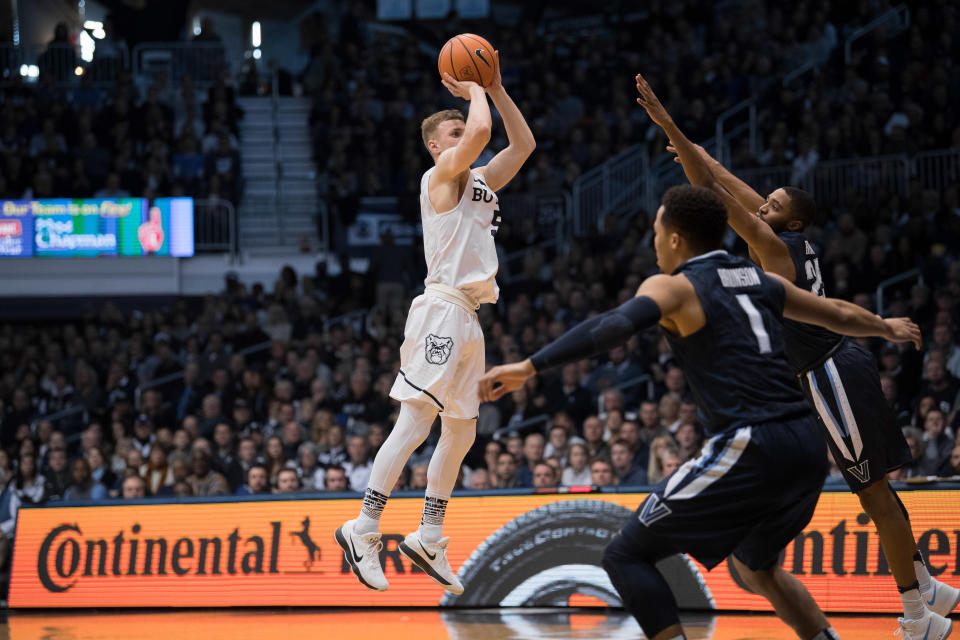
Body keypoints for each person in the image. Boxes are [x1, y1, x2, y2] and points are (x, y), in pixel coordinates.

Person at [478, 182, 925, 640]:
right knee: (756, 568)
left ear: (674, 238)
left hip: (753, 442)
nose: (653, 243)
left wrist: (530, 366)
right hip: (807, 446)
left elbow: (613, 326)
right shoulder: (761, 279)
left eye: (656, 231)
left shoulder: (676, 286)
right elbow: (838, 315)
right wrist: (885, 326)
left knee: (624, 556)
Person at [640, 71, 960, 637]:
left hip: (831, 372)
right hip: (833, 369)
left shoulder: (773, 247)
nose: (763, 203)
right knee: (878, 490)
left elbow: (712, 198)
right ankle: (927, 586)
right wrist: (686, 142)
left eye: (774, 203)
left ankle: (917, 617)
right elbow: (717, 177)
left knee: (873, 495)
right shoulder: (785, 237)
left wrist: (671, 127)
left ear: (792, 221)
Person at [335, 50, 535, 594]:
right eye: (454, 130)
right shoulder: (439, 175)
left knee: (462, 430)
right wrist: (472, 92)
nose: (467, 133)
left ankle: (428, 533)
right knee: (416, 423)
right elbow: (477, 135)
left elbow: (523, 146)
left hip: (470, 316)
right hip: (442, 307)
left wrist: (495, 87)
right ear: (436, 145)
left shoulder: (478, 180)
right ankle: (364, 527)